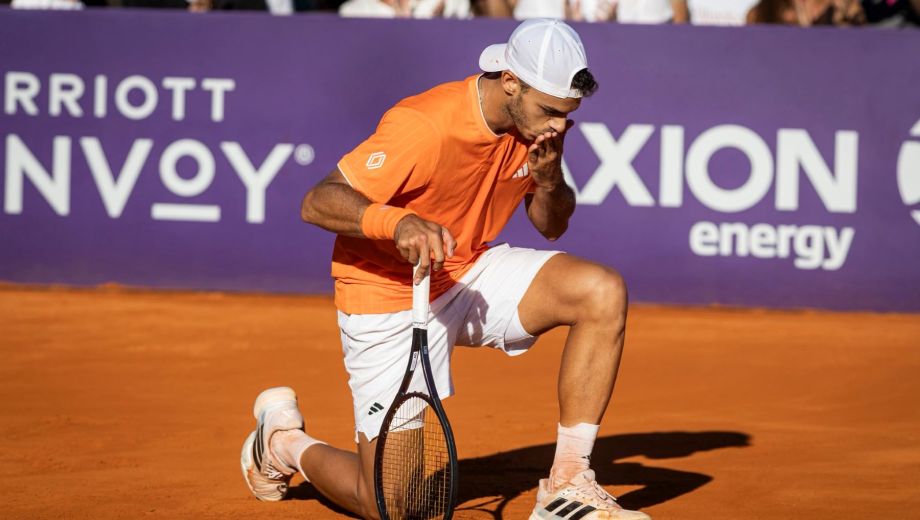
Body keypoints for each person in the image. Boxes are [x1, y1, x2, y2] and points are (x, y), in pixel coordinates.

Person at [240, 18, 649, 520]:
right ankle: (282, 443)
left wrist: (547, 181)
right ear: (511, 82)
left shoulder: (538, 124)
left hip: (467, 271)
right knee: (390, 503)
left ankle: (567, 483)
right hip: (388, 292)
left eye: (568, 115)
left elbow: (551, 227)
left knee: (600, 291)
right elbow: (317, 201)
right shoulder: (426, 125)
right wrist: (398, 222)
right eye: (550, 111)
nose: (559, 126)